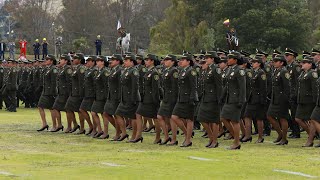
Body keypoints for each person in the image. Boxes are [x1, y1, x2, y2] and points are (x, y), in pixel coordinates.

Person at [220, 51, 246, 150]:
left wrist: (241, 100)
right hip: (229, 98)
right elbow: (227, 85)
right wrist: (222, 96)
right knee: (223, 118)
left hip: (236, 100)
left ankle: (236, 142)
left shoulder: (239, 70)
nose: (228, 60)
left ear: (235, 60)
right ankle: (236, 136)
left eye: (230, 58)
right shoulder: (230, 70)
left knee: (235, 121)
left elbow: (242, 87)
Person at [171, 53, 198, 147]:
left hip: (188, 98)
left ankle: (188, 140)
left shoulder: (191, 71)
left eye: (183, 60)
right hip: (181, 98)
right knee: (174, 117)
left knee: (189, 119)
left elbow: (194, 86)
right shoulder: (182, 71)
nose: (180, 61)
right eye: (180, 59)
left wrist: (192, 98)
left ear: (188, 61)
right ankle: (188, 134)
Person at [197, 51, 222, 148]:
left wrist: (219, 99)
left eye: (208, 57)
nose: (206, 59)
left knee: (213, 121)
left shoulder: (216, 69)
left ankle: (214, 141)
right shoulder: (207, 69)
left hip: (213, 98)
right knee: (201, 118)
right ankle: (211, 138)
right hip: (205, 97)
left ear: (212, 59)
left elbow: (219, 86)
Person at [136, 54, 161, 144]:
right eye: (145, 60)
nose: (145, 61)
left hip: (151, 99)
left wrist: (155, 100)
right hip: (145, 98)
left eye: (147, 60)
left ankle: (158, 137)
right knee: (138, 114)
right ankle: (138, 135)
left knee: (155, 118)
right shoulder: (148, 71)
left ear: (152, 61)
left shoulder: (154, 72)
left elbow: (156, 88)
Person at [115, 54, 140, 142]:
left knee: (132, 117)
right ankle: (124, 133)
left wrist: (133, 98)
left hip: (131, 98)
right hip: (124, 97)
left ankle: (134, 136)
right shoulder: (126, 71)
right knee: (118, 113)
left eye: (126, 60)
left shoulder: (133, 71)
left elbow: (135, 86)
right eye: (124, 60)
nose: (124, 62)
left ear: (132, 62)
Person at [267, 55, 290, 145]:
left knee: (282, 118)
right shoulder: (276, 71)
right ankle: (280, 134)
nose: (274, 62)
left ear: (281, 63)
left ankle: (284, 138)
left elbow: (287, 87)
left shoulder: (284, 72)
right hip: (274, 99)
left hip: (281, 99)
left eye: (276, 61)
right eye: (274, 61)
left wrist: (285, 99)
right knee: (269, 116)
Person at [243, 57, 267, 143]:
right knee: (247, 116)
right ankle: (248, 135)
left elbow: (263, 88)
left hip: (258, 99)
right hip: (251, 98)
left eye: (254, 62)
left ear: (259, 63)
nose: (252, 63)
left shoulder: (261, 73)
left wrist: (262, 100)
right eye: (252, 62)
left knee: (259, 118)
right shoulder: (252, 72)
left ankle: (260, 137)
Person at [295, 56, 317, 147]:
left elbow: (314, 89)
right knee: (298, 118)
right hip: (302, 100)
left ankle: (310, 140)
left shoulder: (312, 74)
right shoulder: (303, 73)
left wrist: (315, 101)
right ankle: (311, 135)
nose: (302, 64)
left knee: (311, 120)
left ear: (310, 64)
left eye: (304, 63)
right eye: (302, 62)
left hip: (309, 100)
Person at [157, 54, 179, 145]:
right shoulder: (167, 70)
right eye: (165, 60)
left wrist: (173, 99)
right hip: (166, 97)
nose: (165, 61)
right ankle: (166, 136)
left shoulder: (174, 71)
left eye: (167, 60)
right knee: (160, 116)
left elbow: (175, 87)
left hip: (171, 98)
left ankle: (173, 139)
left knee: (171, 118)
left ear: (173, 62)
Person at [103, 54, 123, 141]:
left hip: (116, 96)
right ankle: (119, 131)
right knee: (106, 113)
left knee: (115, 115)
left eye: (113, 60)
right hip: (111, 95)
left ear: (118, 61)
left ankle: (118, 133)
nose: (111, 61)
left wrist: (119, 96)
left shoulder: (119, 70)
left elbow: (120, 85)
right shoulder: (113, 69)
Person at [64, 53, 85, 133]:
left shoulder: (81, 68)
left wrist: (81, 93)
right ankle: (75, 125)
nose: (73, 60)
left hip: (78, 93)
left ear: (79, 60)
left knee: (79, 111)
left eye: (75, 59)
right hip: (73, 92)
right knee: (68, 108)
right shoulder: (76, 68)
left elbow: (81, 82)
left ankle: (82, 128)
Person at [51, 54, 72, 132]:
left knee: (68, 110)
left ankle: (70, 126)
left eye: (62, 59)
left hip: (65, 92)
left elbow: (69, 82)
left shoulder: (67, 69)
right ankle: (60, 125)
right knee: (55, 108)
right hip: (60, 92)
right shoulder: (62, 69)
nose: (60, 61)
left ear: (66, 61)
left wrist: (68, 92)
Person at [91, 55, 110, 139]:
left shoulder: (105, 71)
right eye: (97, 61)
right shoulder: (99, 71)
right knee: (95, 112)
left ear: (103, 62)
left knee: (103, 114)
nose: (97, 62)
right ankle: (100, 130)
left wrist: (106, 96)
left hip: (102, 96)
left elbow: (106, 85)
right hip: (98, 95)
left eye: (99, 61)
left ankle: (105, 132)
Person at [36, 55, 57, 131]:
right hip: (45, 91)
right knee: (40, 106)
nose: (46, 60)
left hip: (50, 92)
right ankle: (44, 123)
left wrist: (52, 92)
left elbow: (53, 82)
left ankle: (55, 125)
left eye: (47, 59)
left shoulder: (53, 69)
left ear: (51, 61)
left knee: (52, 108)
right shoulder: (46, 69)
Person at [285, 48, 301, 139]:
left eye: (288, 55)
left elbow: (298, 81)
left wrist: (295, 94)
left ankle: (296, 132)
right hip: (289, 93)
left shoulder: (296, 66)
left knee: (294, 114)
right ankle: (293, 130)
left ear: (293, 56)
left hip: (294, 94)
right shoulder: (288, 66)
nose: (286, 57)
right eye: (286, 55)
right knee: (288, 113)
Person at [79, 56, 97, 136]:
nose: (87, 62)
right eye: (87, 61)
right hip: (86, 93)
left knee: (92, 111)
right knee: (82, 109)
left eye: (89, 61)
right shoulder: (88, 70)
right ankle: (91, 126)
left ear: (93, 62)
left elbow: (95, 83)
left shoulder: (94, 71)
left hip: (91, 94)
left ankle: (95, 129)